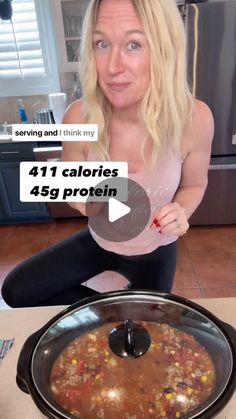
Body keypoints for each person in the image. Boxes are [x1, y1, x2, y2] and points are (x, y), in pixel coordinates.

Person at [2, 0, 214, 308]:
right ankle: (110, 310)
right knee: (16, 290)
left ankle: (127, 311)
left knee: (147, 326)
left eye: (133, 44)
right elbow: (74, 194)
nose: (112, 67)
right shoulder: (78, 118)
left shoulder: (195, 119)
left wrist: (181, 210)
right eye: (102, 43)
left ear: (163, 48)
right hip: (99, 242)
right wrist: (89, 196)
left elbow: (195, 185)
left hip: (155, 252)